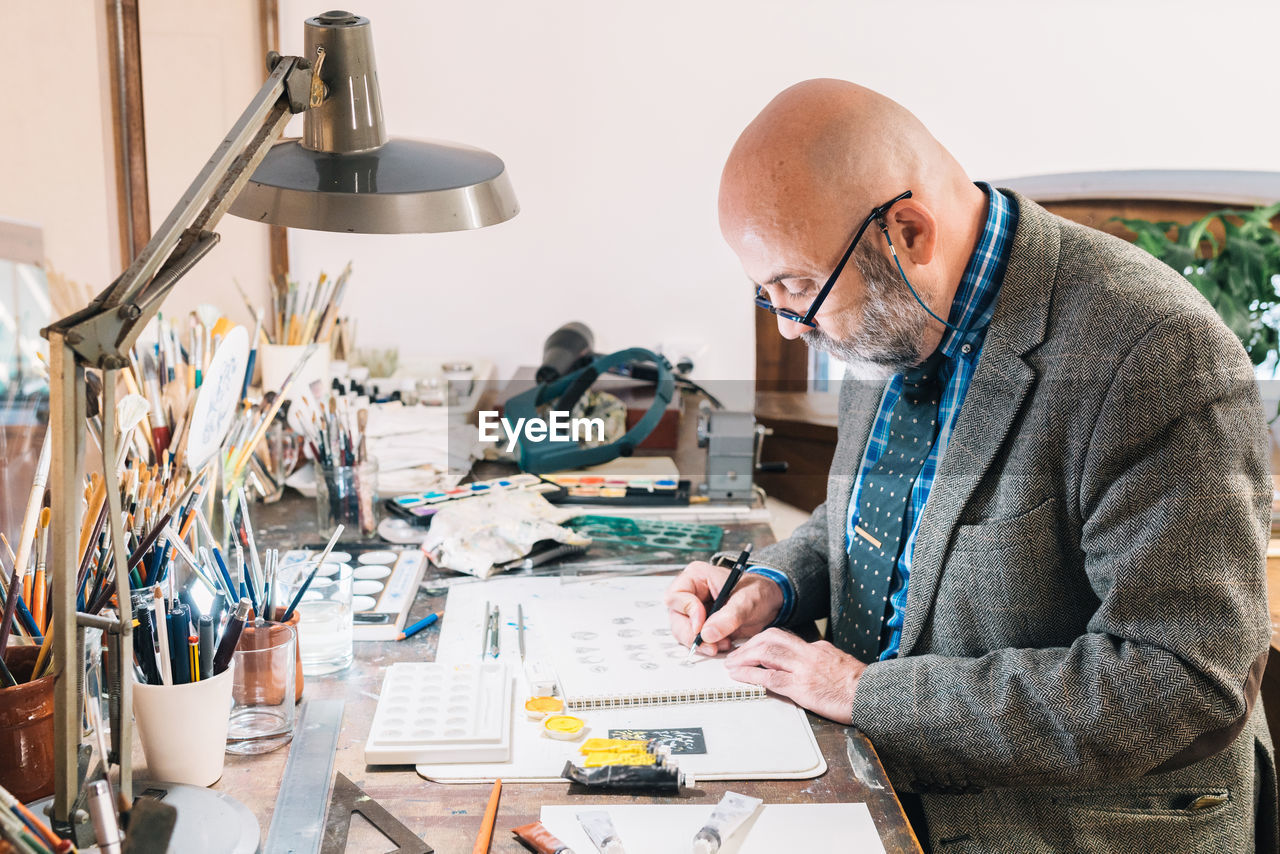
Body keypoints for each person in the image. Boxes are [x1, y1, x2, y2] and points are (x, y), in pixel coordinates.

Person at [665, 79, 1276, 852]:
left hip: (1058, 826)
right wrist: (770, 582)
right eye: (769, 296)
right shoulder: (888, 307)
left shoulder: (1151, 352)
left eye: (799, 288)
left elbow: (1181, 683)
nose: (792, 330)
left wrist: (864, 694)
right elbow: (881, 518)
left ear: (908, 233)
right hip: (869, 782)